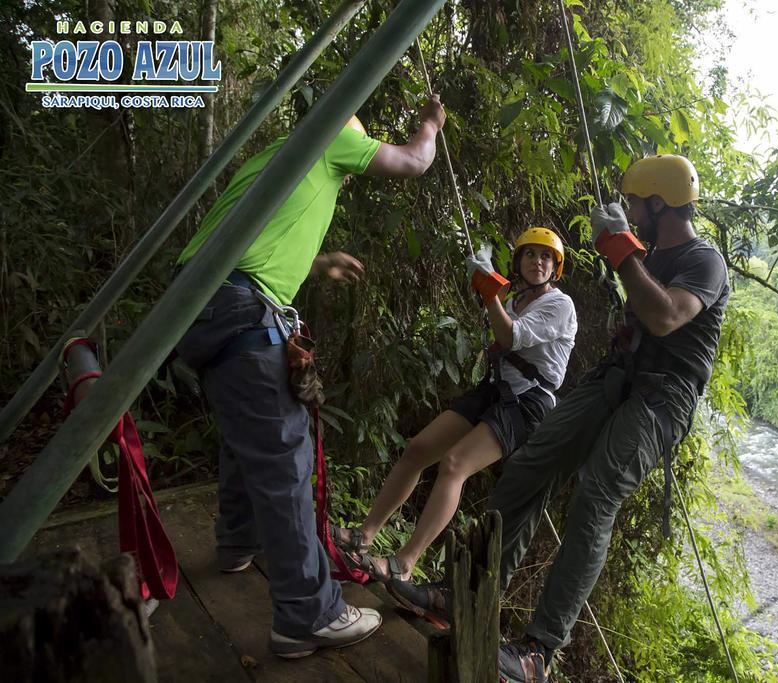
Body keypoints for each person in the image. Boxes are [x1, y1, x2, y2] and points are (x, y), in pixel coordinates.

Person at [391, 155, 729, 682]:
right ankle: (465, 593)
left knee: (596, 493)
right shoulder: (654, 254)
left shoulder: (704, 260)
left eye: (637, 204)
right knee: (529, 464)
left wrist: (621, 254)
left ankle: (537, 652)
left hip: (662, 398)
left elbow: (665, 317)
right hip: (616, 380)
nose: (631, 214)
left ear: (660, 203)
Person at [173, 96, 446, 659]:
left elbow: (256, 240)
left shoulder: (274, 160)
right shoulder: (330, 138)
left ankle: (235, 543)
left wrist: (319, 264)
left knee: (244, 429)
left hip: (198, 304)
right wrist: (429, 126)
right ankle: (308, 614)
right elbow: (415, 162)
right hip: (243, 307)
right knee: (285, 453)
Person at [330, 228, 578, 624]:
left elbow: (510, 337)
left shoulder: (559, 304)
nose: (538, 262)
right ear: (519, 262)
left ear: (556, 267)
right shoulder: (514, 300)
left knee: (454, 464)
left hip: (528, 403)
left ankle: (404, 562)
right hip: (496, 389)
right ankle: (365, 535)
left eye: (546, 257)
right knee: (417, 449)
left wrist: (488, 294)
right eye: (530, 255)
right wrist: (494, 295)